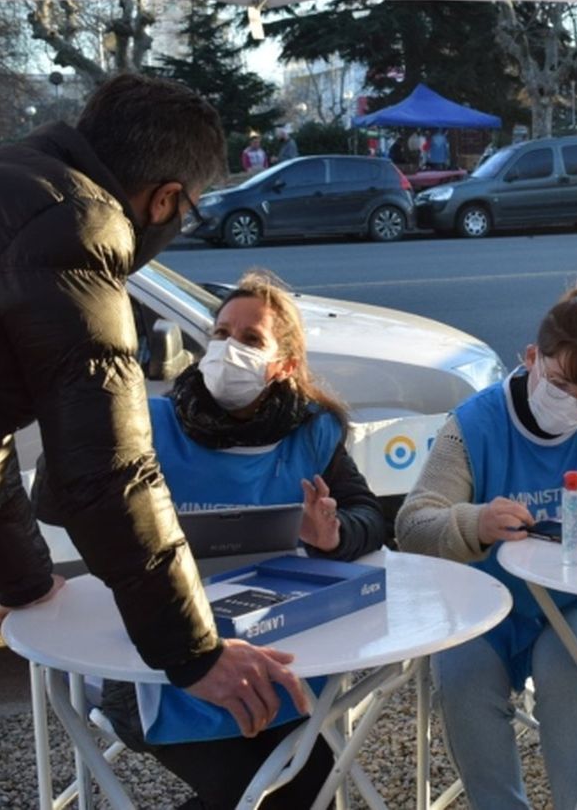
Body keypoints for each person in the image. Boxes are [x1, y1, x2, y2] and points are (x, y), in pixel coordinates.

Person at [0, 74, 307, 809]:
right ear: (165, 198)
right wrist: (194, 654)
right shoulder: (79, 221)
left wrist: (27, 582)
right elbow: (109, 471)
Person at [396, 285, 577, 810]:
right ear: (532, 357)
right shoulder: (474, 423)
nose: (573, 403)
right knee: (465, 687)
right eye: (559, 383)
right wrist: (477, 522)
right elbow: (414, 524)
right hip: (484, 599)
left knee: (571, 681)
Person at [99, 270, 386, 810]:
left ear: (284, 365)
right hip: (162, 660)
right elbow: (68, 499)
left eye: (250, 340)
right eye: (221, 333)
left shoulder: (311, 431)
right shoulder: (149, 422)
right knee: (269, 790)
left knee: (308, 781)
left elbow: (369, 514)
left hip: (276, 649)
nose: (228, 349)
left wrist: (333, 533)